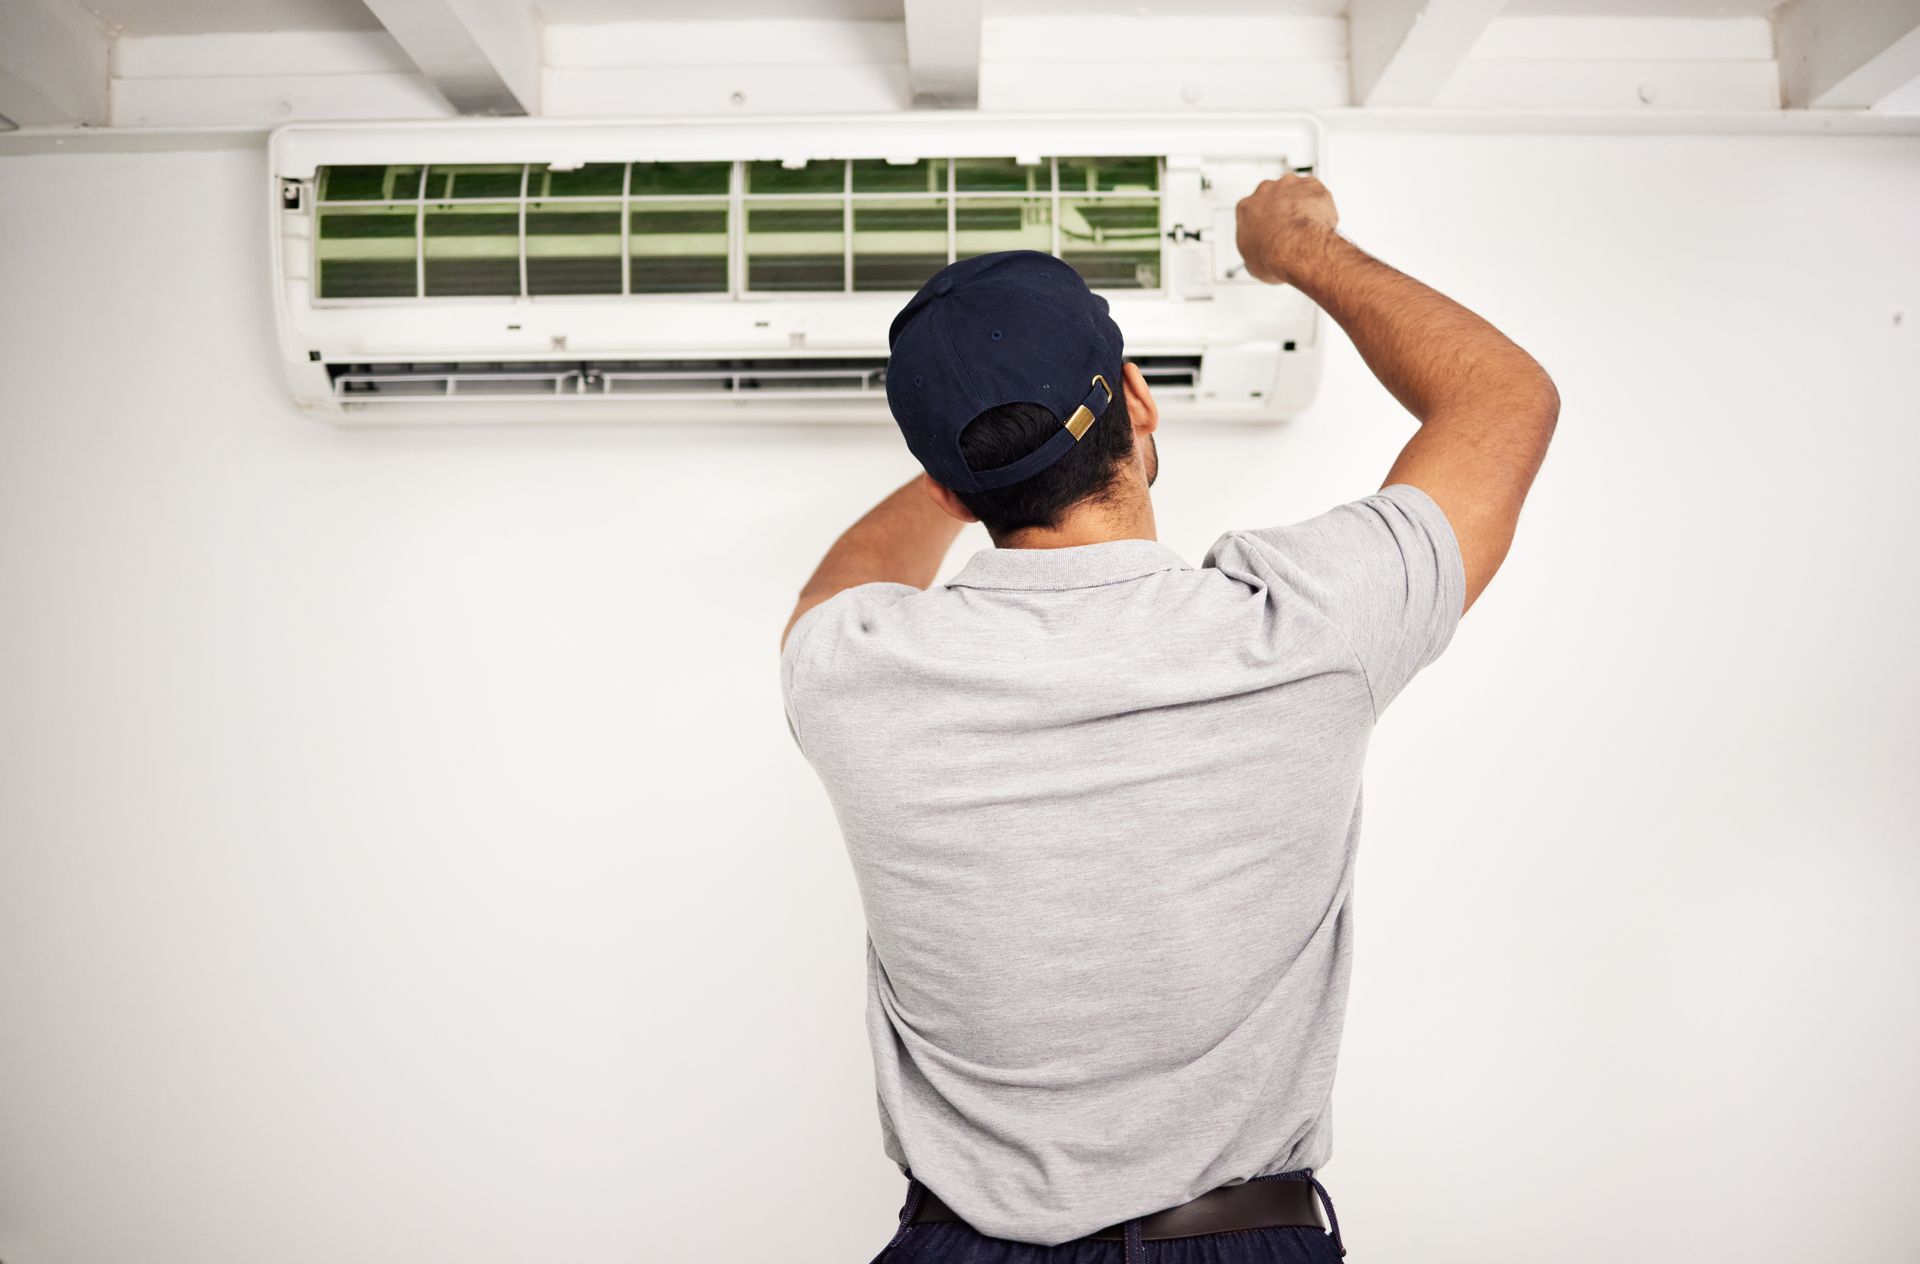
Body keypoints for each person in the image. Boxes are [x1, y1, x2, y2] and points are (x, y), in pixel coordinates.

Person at [778, 173, 1559, 1263]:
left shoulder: (852, 674)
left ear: (950, 494)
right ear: (1137, 404)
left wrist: (978, 451)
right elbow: (1505, 400)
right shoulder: (1301, 624)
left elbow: (839, 586)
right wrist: (1302, 249)